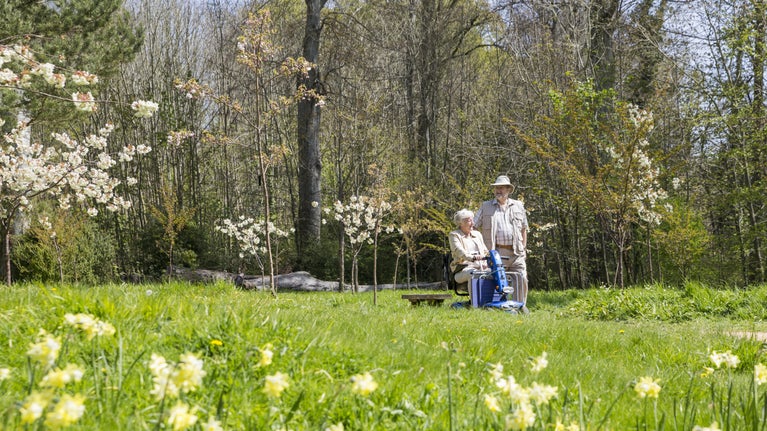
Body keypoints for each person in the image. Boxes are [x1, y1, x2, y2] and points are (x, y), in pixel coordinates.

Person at [474, 175, 529, 310]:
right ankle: (499, 308)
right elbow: (473, 226)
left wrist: (523, 248)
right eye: (496, 188)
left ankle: (520, 307)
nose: (498, 191)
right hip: (496, 252)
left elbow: (524, 229)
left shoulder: (518, 205)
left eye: (502, 188)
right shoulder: (486, 206)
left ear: (509, 190)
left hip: (516, 252)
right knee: (496, 282)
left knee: (521, 280)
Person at [448, 209, 489, 287]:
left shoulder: (477, 234)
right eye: (469, 221)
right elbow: (459, 251)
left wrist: (489, 260)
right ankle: (475, 299)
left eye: (472, 220)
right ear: (461, 223)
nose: (472, 223)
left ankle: (493, 298)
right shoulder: (454, 235)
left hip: (481, 267)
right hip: (462, 270)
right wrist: (472, 257)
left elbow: (485, 251)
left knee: (495, 272)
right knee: (473, 274)